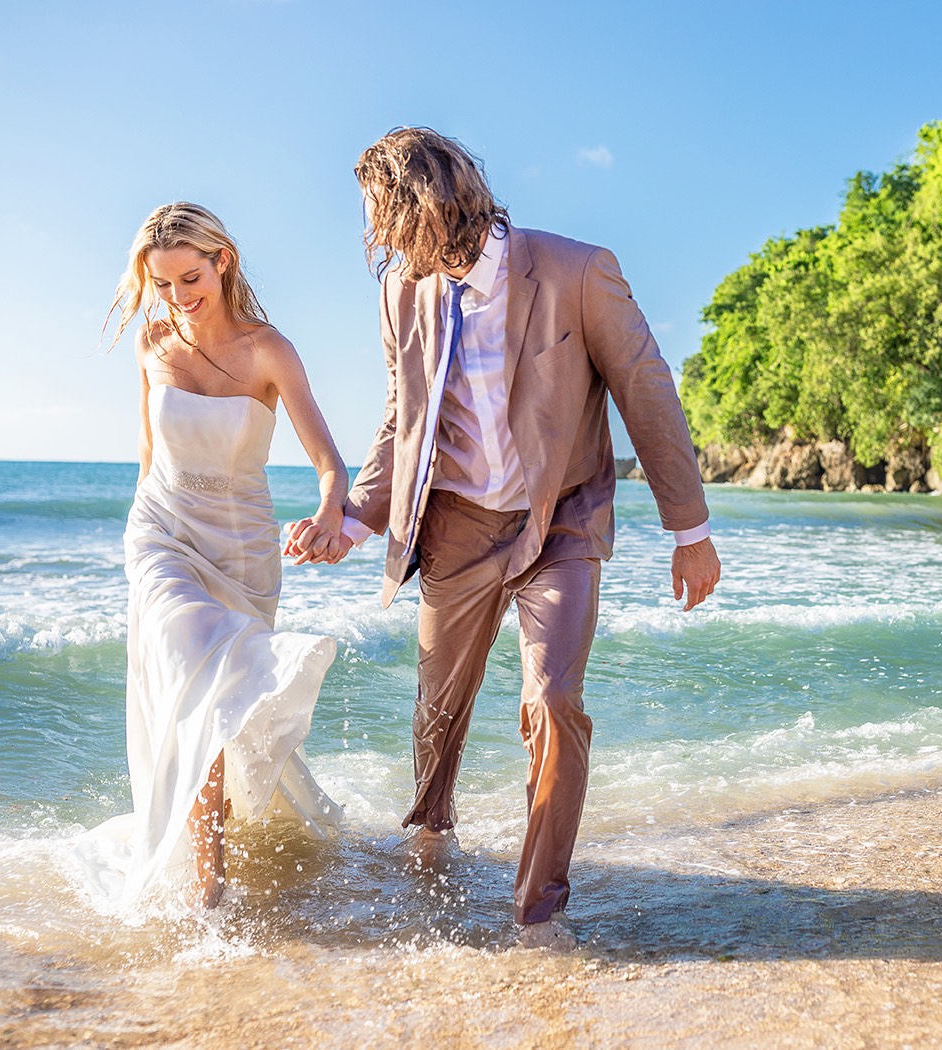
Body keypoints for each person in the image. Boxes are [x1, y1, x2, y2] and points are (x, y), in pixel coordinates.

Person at [290, 127, 721, 949]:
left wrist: (689, 529)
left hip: (560, 519)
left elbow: (648, 394)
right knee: (438, 707)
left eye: (381, 213)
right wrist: (355, 516)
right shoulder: (402, 294)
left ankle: (538, 911)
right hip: (452, 523)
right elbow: (402, 418)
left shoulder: (576, 270)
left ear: (424, 201)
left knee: (553, 700)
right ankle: (430, 831)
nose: (374, 235)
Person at [93, 202, 348, 909]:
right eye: (163, 283)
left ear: (222, 262)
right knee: (194, 679)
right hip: (163, 532)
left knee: (224, 707)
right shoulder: (151, 343)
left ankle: (219, 837)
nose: (177, 297)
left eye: (189, 277)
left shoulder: (269, 350)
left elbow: (329, 463)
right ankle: (211, 886)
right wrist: (140, 531)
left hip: (241, 550)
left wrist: (329, 514)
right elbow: (150, 454)